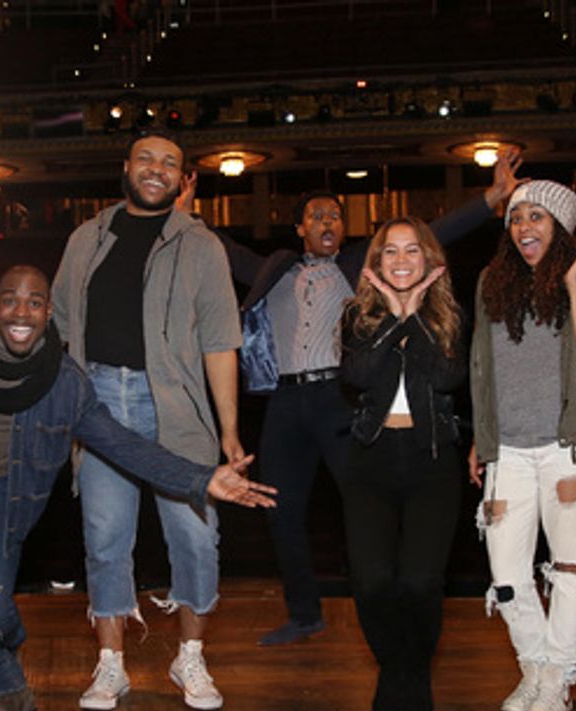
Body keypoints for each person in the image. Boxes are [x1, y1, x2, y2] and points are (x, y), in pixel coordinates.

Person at [0, 265, 276, 711]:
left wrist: (201, 479)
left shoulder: (65, 383)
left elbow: (123, 444)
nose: (21, 312)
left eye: (35, 303)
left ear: (50, 312)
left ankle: (4, 642)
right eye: (9, 299)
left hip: (0, 493)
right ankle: (6, 685)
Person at [183, 153, 523, 647]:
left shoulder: (360, 265)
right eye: (317, 215)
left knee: (368, 503)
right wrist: (190, 213)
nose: (327, 221)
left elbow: (435, 233)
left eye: (335, 216)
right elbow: (223, 250)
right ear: (300, 227)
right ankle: (304, 614)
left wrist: (492, 198)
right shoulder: (275, 269)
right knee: (279, 508)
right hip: (285, 403)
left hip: (340, 399)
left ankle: (389, 598)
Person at [51, 129, 243, 711]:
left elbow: (219, 342)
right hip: (100, 404)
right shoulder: (86, 239)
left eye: (170, 163)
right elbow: (57, 331)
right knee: (105, 539)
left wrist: (230, 431)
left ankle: (190, 658)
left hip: (177, 409)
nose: (156, 169)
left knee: (195, 538)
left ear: (183, 179)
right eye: (146, 159)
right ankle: (111, 665)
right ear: (126, 167)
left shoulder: (202, 246)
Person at [468, 179, 576, 711]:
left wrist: (574, 284)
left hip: (570, 447)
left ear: (560, 225)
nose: (524, 227)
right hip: (506, 450)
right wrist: (481, 440)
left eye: (536, 216)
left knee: (570, 569)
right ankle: (534, 667)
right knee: (506, 572)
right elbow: (481, 368)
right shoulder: (492, 282)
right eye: (515, 217)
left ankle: (558, 678)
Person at [339, 217, 466, 711]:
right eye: (389, 252)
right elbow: (357, 375)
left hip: (432, 460)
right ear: (377, 263)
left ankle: (414, 670)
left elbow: (447, 375)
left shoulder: (449, 315)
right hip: (370, 459)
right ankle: (394, 667)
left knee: (420, 582)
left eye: (411, 251)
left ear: (429, 260)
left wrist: (415, 315)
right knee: (371, 582)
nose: (400, 260)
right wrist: (394, 315)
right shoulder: (358, 316)